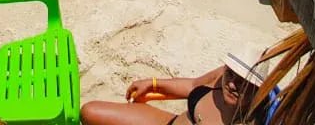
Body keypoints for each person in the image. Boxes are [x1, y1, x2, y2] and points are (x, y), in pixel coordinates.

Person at [79, 49, 269, 124]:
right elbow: (193, 85)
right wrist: (153, 83)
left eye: (243, 83)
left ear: (257, 89)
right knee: (90, 111)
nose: (232, 85)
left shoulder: (252, 118)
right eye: (231, 75)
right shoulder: (222, 76)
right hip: (169, 123)